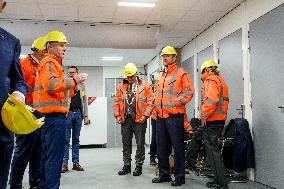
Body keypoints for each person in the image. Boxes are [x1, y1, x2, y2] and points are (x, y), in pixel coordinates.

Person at [33, 31, 87, 189]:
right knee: (54, 159)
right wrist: (74, 80)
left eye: (65, 45)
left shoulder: (53, 64)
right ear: (50, 46)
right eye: (61, 45)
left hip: (48, 117)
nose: (65, 48)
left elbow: (58, 91)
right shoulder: (49, 62)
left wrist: (74, 87)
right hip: (53, 118)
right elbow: (50, 85)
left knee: (46, 157)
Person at [152, 46, 194, 186]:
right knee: (162, 147)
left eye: (168, 56)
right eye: (163, 56)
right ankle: (164, 174)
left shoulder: (181, 73)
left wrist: (175, 103)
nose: (165, 58)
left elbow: (189, 92)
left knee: (178, 147)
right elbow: (157, 96)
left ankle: (179, 176)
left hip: (175, 118)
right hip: (161, 118)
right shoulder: (161, 76)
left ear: (174, 57)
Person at [9, 36, 47, 189]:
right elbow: (17, 88)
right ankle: (15, 185)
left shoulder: (44, 66)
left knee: (38, 151)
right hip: (25, 113)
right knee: (23, 152)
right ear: (40, 51)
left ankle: (35, 184)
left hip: (39, 113)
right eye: (46, 51)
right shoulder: (23, 64)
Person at [0, 1, 28, 189]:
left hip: (2, 128)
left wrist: (19, 93)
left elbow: (19, 79)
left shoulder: (10, 42)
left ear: (2, 6)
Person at [113, 63, 153, 176]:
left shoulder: (145, 85)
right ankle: (127, 166)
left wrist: (145, 115)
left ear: (136, 74)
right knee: (126, 143)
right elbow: (116, 102)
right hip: (125, 119)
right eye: (128, 76)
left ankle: (138, 166)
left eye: (131, 76)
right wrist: (117, 115)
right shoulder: (120, 86)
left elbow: (151, 102)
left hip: (140, 119)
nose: (130, 78)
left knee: (140, 144)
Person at [200, 60, 229, 189]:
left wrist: (203, 115)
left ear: (207, 70)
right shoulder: (221, 80)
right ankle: (219, 180)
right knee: (215, 151)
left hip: (211, 120)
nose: (202, 76)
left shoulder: (210, 80)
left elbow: (211, 100)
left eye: (202, 72)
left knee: (212, 152)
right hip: (219, 120)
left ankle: (220, 183)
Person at [61, 66, 90, 173]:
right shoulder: (65, 85)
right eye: (69, 73)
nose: (71, 74)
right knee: (65, 140)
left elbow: (85, 101)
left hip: (78, 114)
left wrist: (86, 115)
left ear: (77, 74)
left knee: (76, 140)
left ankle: (75, 163)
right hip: (67, 114)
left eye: (73, 72)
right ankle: (64, 164)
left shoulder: (82, 86)